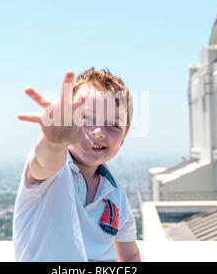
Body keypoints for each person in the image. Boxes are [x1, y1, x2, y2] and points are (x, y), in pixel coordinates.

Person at [13, 68, 142, 262]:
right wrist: (55, 140)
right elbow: (45, 163)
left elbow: (130, 255)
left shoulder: (115, 193)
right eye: (85, 118)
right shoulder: (55, 172)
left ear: (123, 139)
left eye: (114, 124)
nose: (98, 131)